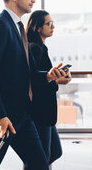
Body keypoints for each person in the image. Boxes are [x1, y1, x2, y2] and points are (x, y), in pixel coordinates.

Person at [0, 0, 67, 170]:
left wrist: (49, 76)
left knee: (40, 164)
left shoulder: (16, 27)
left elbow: (26, 72)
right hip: (4, 116)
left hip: (21, 114)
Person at [26, 10, 72, 166]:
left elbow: (44, 78)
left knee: (54, 152)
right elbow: (34, 80)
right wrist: (55, 81)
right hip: (40, 112)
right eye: (49, 24)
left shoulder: (40, 47)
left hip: (46, 113)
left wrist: (57, 80)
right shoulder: (35, 48)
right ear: (38, 28)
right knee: (42, 158)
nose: (53, 27)